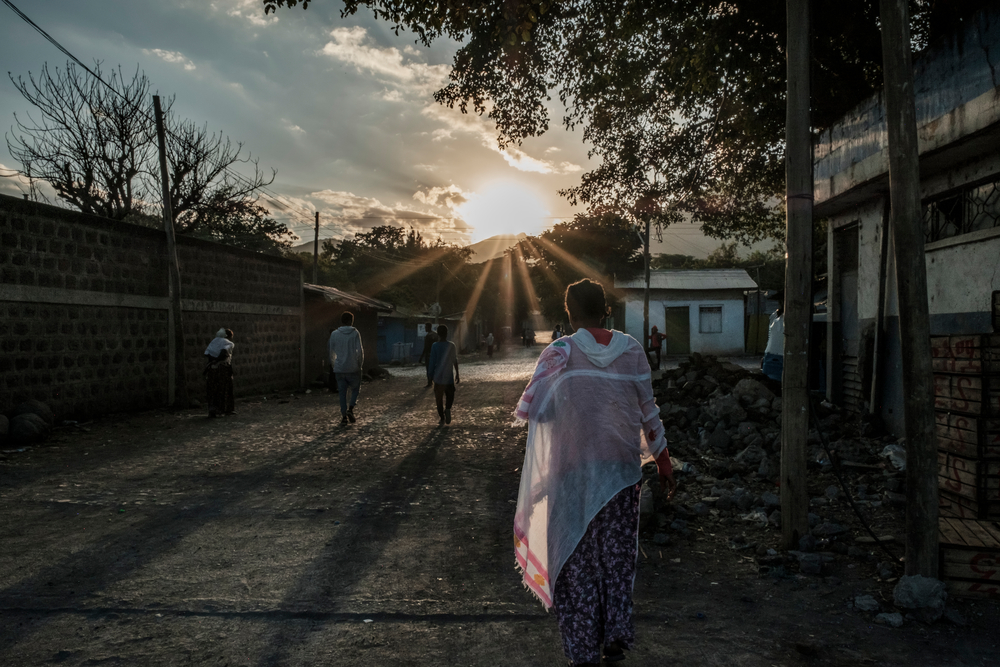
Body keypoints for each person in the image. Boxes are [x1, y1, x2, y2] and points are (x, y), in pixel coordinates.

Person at [512, 279, 676, 667]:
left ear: (569, 311)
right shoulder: (633, 350)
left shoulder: (559, 353)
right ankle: (614, 637)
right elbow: (648, 413)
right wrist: (664, 462)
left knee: (576, 565)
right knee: (616, 562)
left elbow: (533, 411)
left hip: (573, 478)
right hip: (620, 478)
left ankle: (582, 650)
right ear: (605, 309)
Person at [328, 311, 364, 425]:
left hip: (339, 368)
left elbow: (331, 352)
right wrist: (360, 364)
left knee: (342, 393)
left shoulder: (334, 334)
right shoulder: (355, 333)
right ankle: (351, 409)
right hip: (353, 367)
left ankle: (344, 417)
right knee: (355, 389)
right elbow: (360, 351)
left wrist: (334, 365)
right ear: (350, 321)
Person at [428, 324, 460, 425]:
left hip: (438, 377)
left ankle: (442, 417)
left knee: (439, 398)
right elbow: (454, 360)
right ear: (447, 334)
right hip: (448, 377)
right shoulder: (451, 345)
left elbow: (432, 362)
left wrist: (430, 375)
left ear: (438, 334)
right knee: (450, 395)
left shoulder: (435, 346)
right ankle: (448, 409)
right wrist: (457, 373)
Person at [204, 328, 235, 417]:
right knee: (223, 389)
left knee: (212, 389)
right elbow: (224, 353)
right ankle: (223, 409)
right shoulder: (228, 343)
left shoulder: (213, 342)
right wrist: (218, 360)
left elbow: (207, 353)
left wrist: (213, 361)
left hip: (212, 369)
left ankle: (212, 409)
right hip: (223, 369)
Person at [762, 293, 784, 382]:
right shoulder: (793, 316)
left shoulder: (774, 316)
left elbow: (770, 335)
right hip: (781, 354)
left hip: (770, 352)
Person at [418, 322, 438, 388]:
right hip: (435, 354)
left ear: (429, 327)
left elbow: (426, 347)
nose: (425, 328)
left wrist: (421, 357)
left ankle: (430, 382)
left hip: (429, 354)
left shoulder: (428, 336)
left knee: (429, 369)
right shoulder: (436, 334)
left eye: (426, 327)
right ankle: (436, 382)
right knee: (435, 368)